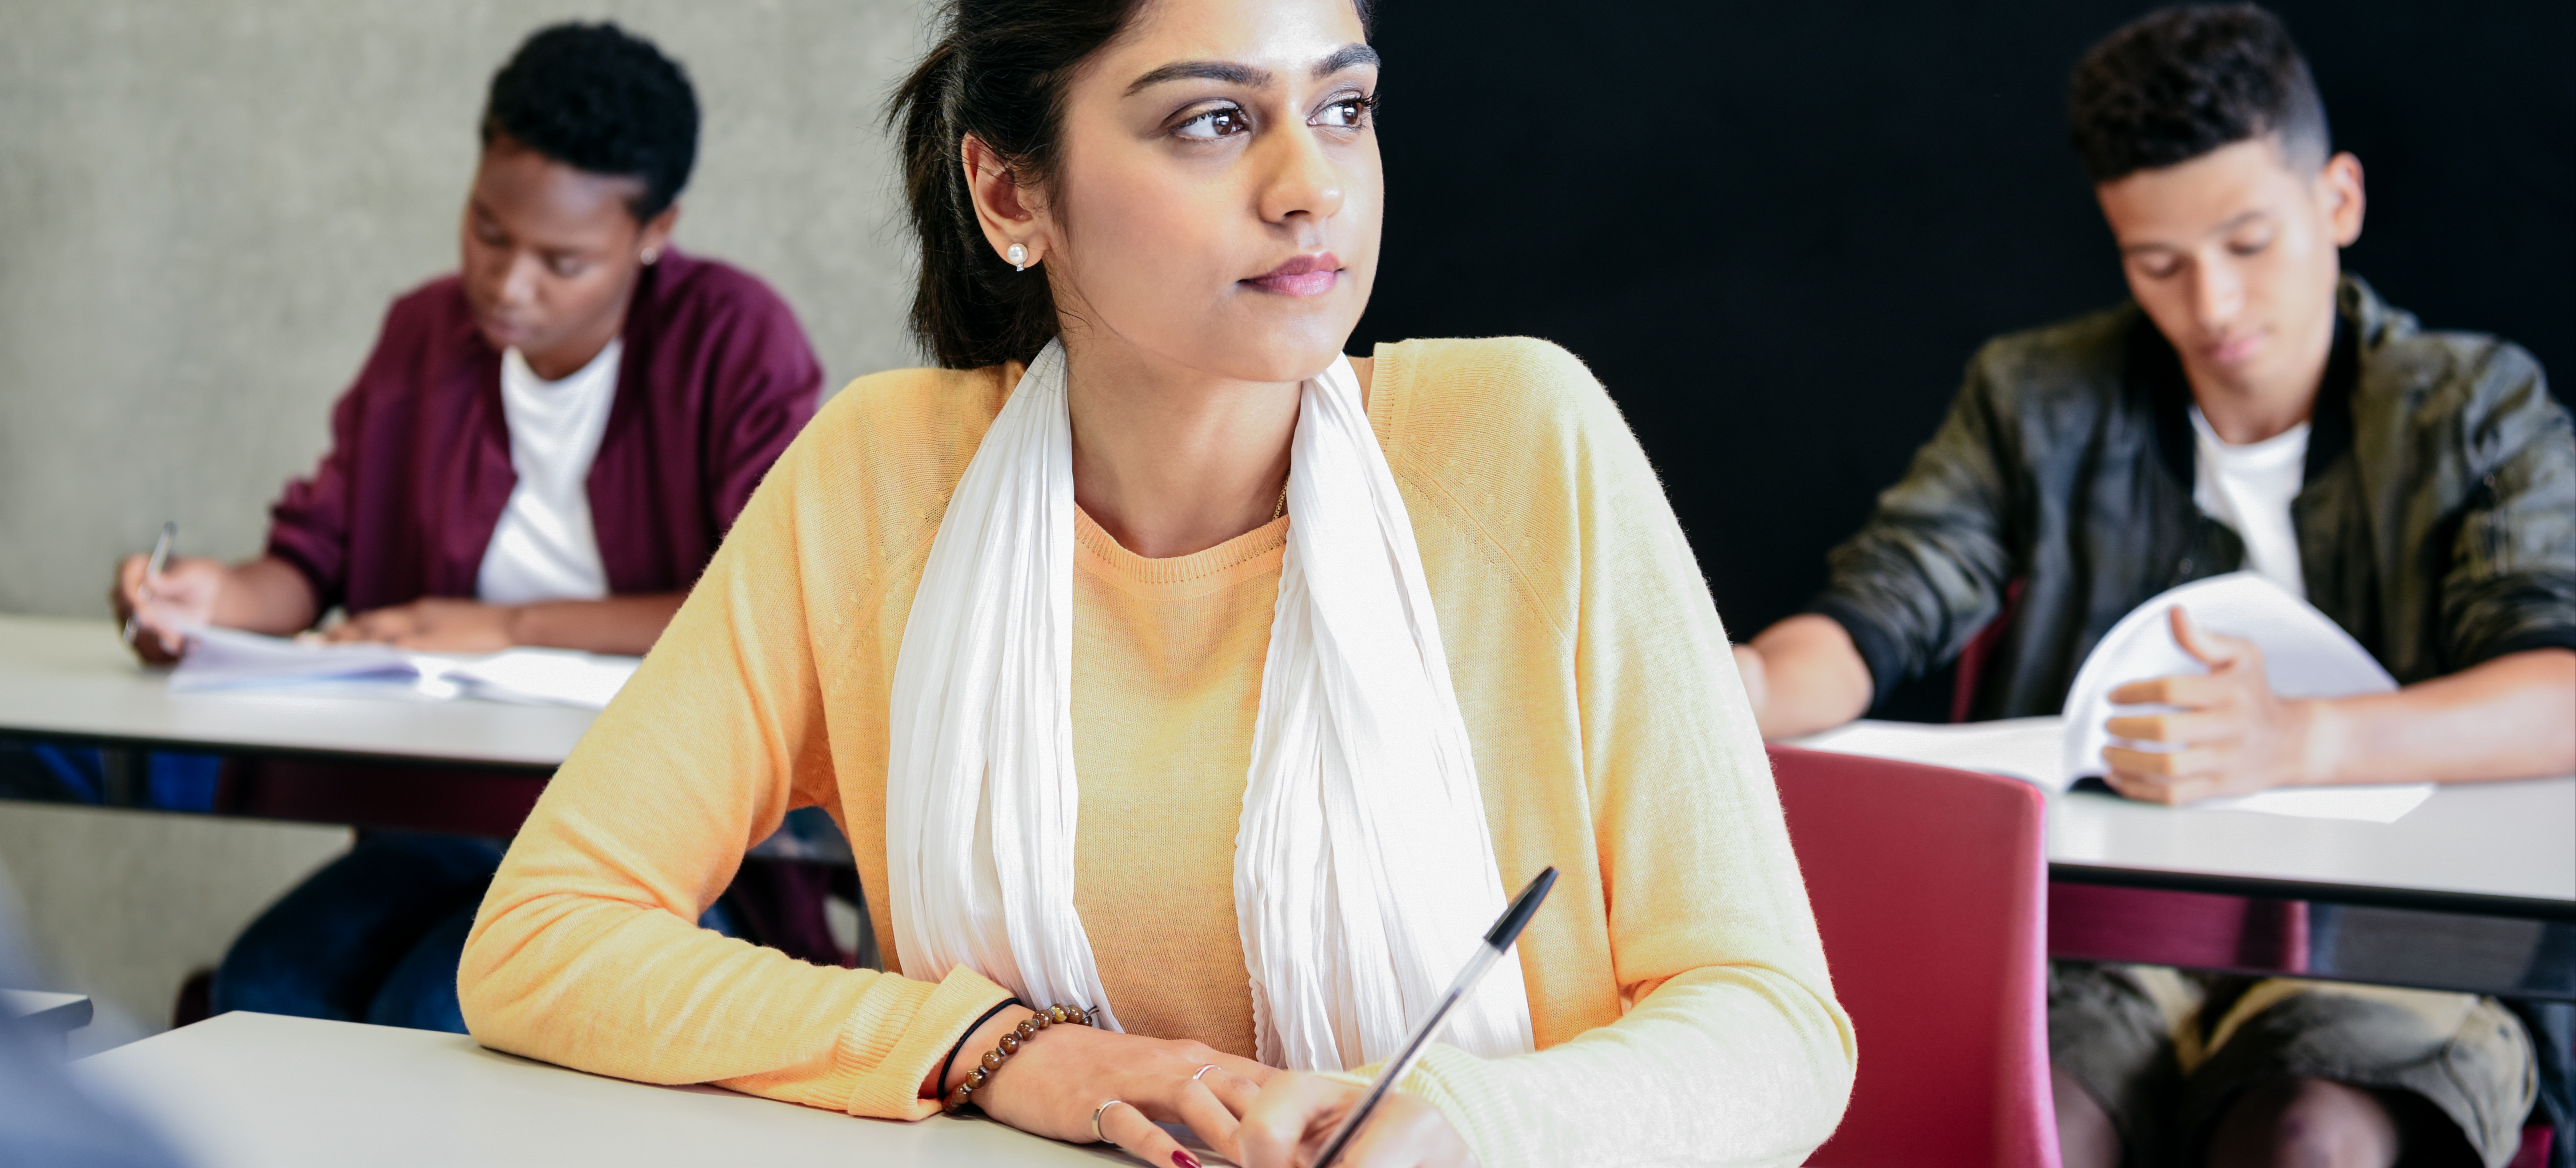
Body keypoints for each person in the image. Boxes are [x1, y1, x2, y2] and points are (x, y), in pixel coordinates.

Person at [456, 0, 1857, 1164]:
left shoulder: (1519, 442)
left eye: (1344, 109)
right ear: (1009, 189)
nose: (1308, 184)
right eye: (1212, 118)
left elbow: (1773, 1021)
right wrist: (1003, 1049)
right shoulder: (877, 480)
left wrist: (1454, 1130)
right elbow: (542, 936)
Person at [1730, 6, 2573, 1168]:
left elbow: (2557, 692)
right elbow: (1880, 610)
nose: (2210, 306)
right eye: (2157, 263)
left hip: (2394, 945)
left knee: (2306, 1136)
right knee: (2027, 1122)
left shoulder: (2472, 408)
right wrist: (1735, 686)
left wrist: (2290, 739)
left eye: (2246, 243)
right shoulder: (2037, 397)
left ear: (2337, 202)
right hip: (2107, 939)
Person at [111, 22, 825, 1032]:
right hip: (441, 815)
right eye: (488, 232)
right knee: (266, 989)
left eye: (563, 261)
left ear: (655, 232)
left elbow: (772, 608)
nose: (508, 283)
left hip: (649, 837)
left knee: (433, 1014)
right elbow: (308, 561)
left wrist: (509, 625)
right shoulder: (422, 335)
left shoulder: (733, 341)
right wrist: (210, 599)